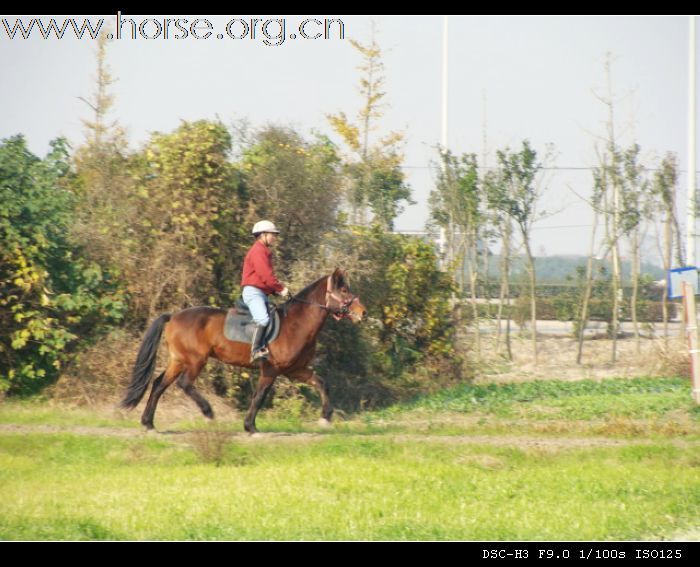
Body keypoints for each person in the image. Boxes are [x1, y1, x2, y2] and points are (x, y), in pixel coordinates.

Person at [240, 220, 290, 361]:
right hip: (253, 292)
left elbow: (264, 279)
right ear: (263, 235)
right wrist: (280, 288)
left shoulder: (263, 251)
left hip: (261, 292)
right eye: (272, 234)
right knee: (263, 319)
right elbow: (266, 275)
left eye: (275, 235)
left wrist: (275, 291)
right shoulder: (258, 251)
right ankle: (255, 350)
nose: (274, 237)